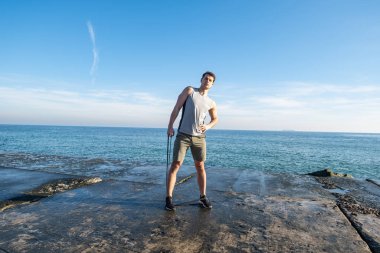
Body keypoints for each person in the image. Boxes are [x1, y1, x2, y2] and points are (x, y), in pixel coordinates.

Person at [166, 71, 218, 211]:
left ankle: (203, 197)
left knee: (200, 166)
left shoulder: (211, 102)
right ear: (201, 79)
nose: (207, 81)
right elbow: (177, 108)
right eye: (206, 78)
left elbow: (215, 119)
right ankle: (169, 198)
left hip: (199, 138)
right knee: (176, 165)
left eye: (210, 80)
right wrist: (170, 126)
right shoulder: (190, 91)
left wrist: (207, 126)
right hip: (183, 135)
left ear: (212, 84)